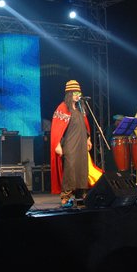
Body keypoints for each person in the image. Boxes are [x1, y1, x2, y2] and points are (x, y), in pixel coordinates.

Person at [50, 80, 92, 208]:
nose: (78, 95)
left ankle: (81, 196)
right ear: (69, 94)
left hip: (81, 144)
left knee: (82, 169)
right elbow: (56, 129)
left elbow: (85, 126)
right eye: (75, 93)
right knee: (70, 169)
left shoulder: (81, 108)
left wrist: (88, 139)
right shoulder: (63, 108)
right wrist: (57, 144)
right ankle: (66, 196)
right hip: (70, 144)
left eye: (79, 93)